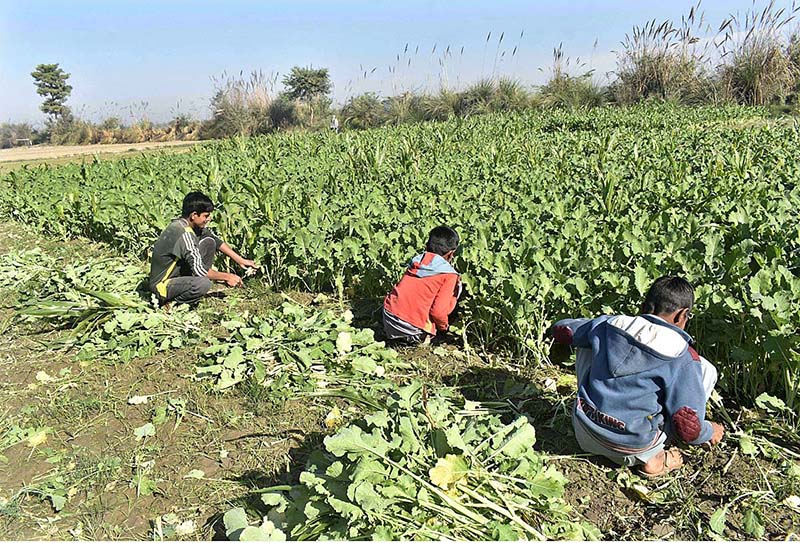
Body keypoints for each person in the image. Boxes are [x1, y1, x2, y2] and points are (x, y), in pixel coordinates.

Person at [550, 276, 724, 478]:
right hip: (633, 449)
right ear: (682, 315)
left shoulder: (611, 324)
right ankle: (655, 457)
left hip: (584, 432)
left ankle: (595, 410)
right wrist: (709, 431)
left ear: (644, 305)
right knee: (704, 369)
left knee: (588, 339)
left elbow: (564, 331)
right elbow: (687, 428)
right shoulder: (682, 356)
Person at [149, 191, 256, 306]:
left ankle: (189, 285)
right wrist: (227, 276)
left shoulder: (184, 224)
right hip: (162, 286)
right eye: (206, 215)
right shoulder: (185, 234)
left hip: (176, 276)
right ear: (194, 215)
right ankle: (172, 304)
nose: (209, 219)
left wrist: (240, 260)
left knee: (209, 242)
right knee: (203, 283)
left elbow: (216, 240)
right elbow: (200, 270)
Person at [383, 226, 462, 344]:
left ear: (426, 246)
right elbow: (438, 312)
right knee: (455, 292)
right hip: (409, 328)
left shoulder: (416, 261)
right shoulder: (449, 275)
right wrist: (444, 328)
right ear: (451, 254)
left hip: (388, 316)